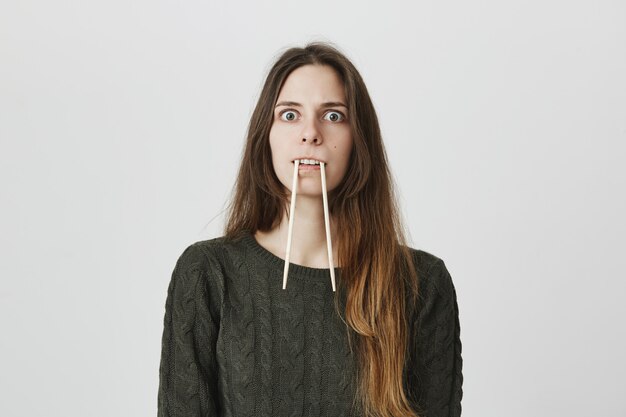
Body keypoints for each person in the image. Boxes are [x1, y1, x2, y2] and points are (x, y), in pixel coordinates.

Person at [157, 42, 463, 417]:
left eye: (333, 116)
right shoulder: (208, 273)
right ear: (264, 134)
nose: (310, 133)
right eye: (289, 115)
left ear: (358, 139)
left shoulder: (421, 284)